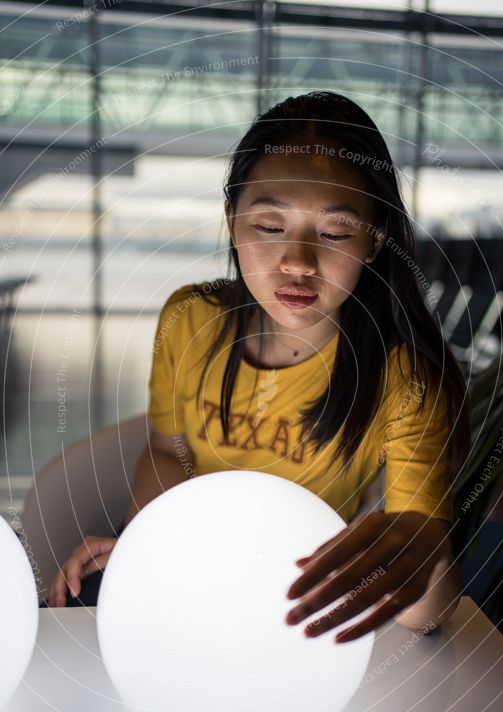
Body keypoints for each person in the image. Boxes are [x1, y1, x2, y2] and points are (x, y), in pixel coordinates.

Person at [46, 90, 470, 642]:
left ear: (374, 239)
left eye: (335, 232)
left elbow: (428, 616)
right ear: (232, 220)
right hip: (182, 566)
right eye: (270, 227)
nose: (297, 261)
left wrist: (426, 550)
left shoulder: (407, 381)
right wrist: (147, 543)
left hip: (288, 599)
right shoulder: (188, 317)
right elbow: (167, 449)